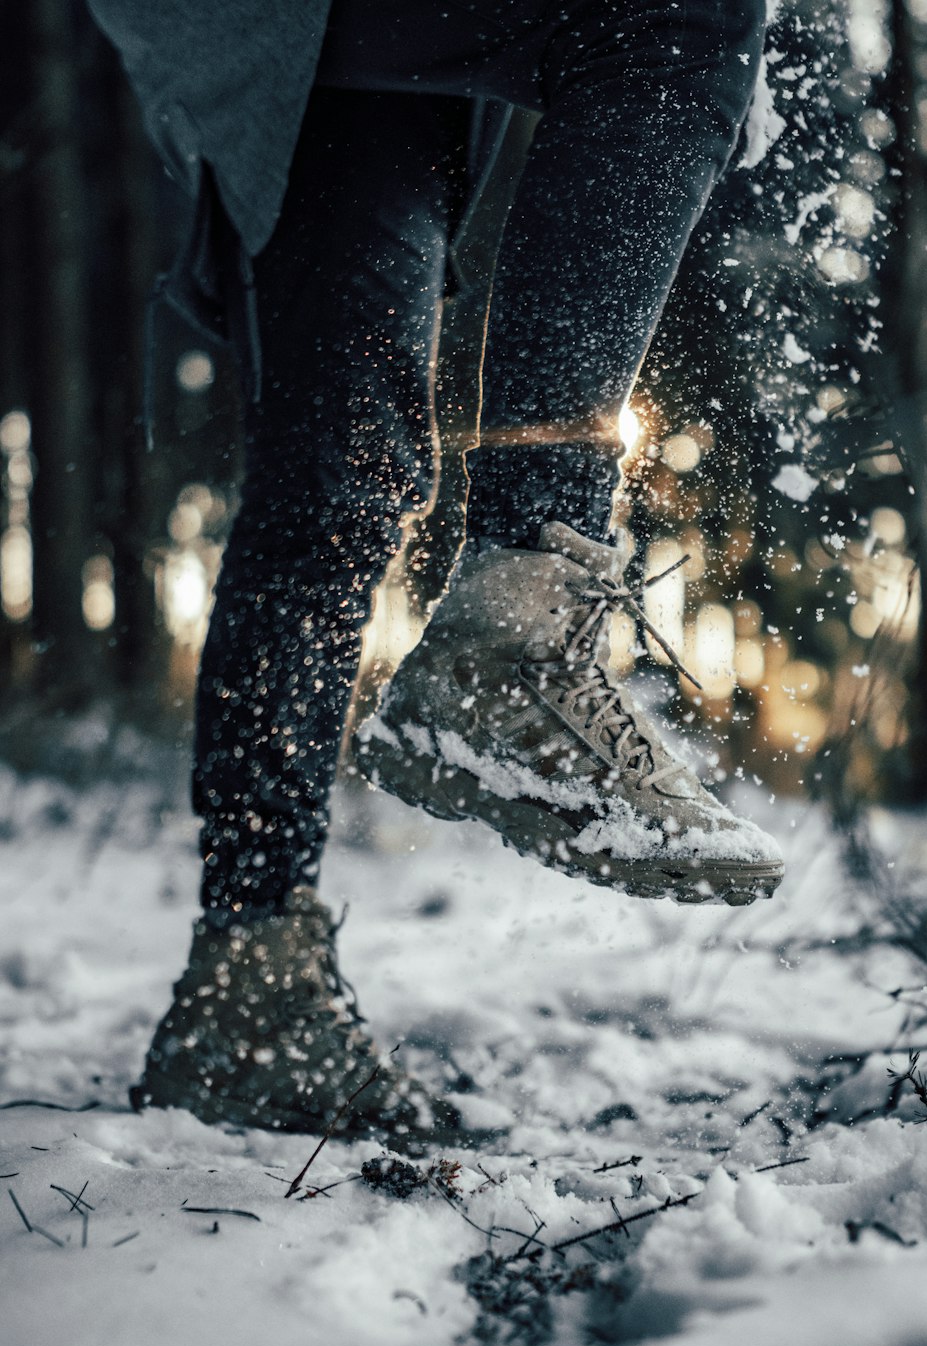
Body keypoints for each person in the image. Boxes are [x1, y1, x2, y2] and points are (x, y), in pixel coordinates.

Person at [89, 0, 784, 1146]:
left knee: (337, 463)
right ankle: (516, 617)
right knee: (678, 20)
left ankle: (246, 984)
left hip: (294, 37)